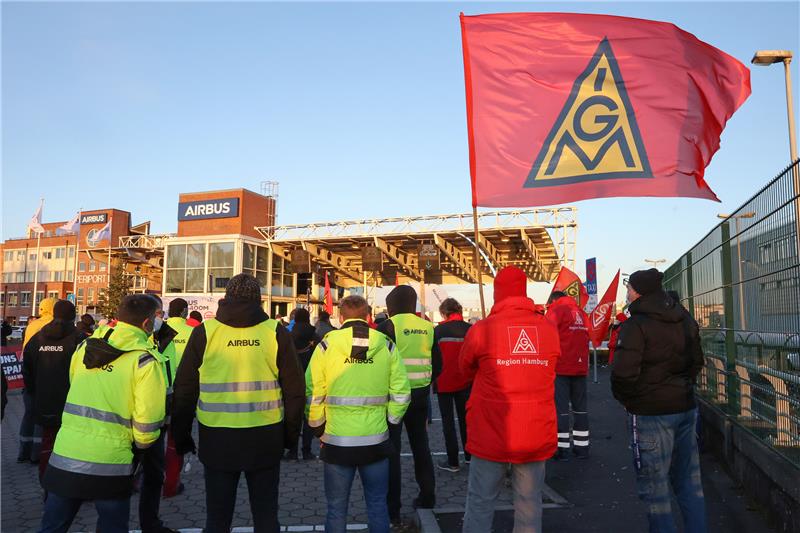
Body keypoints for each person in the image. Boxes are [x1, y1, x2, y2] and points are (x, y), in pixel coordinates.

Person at [172, 274, 305, 533]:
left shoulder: (205, 332)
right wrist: (290, 438)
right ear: (258, 300)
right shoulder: (273, 332)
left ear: (227, 297)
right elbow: (295, 390)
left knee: (218, 520)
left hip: (217, 439)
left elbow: (185, 389)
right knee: (266, 518)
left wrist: (182, 436)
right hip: (265, 437)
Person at [39, 294, 167, 533]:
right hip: (112, 465)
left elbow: (74, 383)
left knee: (52, 527)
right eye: (157, 317)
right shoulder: (145, 361)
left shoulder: (85, 347)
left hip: (66, 455)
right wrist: (139, 448)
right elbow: (147, 428)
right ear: (147, 324)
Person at [460, 266, 561, 533]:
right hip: (534, 431)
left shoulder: (482, 330)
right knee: (529, 503)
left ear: (497, 293)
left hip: (491, 431)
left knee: (481, 501)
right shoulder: (548, 328)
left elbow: (464, 368)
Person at [611, 269, 707, 533]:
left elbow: (622, 373)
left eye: (629, 288)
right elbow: (697, 361)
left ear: (640, 291)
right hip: (685, 407)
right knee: (689, 483)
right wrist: (681, 387)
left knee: (656, 489)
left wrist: (629, 400)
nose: (627, 292)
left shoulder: (635, 325)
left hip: (650, 413)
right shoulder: (683, 318)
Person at [306, 295, 411, 533]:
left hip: (335, 441)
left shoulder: (326, 345)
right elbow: (402, 392)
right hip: (376, 440)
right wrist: (391, 421)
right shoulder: (385, 344)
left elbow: (313, 391)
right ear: (368, 317)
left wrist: (317, 427)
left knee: (336, 508)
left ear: (340, 317)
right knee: (377, 505)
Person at [377, 285, 436, 522]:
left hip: (394, 398)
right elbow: (437, 363)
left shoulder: (387, 327)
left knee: (392, 451)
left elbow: (379, 364)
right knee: (421, 447)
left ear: (391, 306)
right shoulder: (428, 327)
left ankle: (393, 510)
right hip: (421, 396)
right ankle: (428, 496)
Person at [21, 300, 86, 484]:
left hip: (44, 402)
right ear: (74, 316)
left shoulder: (37, 339)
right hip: (72, 405)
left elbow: (27, 370)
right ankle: (68, 487)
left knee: (47, 445)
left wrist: (35, 393)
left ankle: (47, 484)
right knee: (72, 448)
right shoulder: (79, 339)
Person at [138, 295, 180, 533]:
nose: (161, 319)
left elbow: (169, 373)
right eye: (158, 314)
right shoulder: (109, 337)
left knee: (154, 474)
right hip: (137, 417)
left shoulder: (166, 337)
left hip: (155, 413)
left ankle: (150, 523)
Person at [546, 290, 591, 459]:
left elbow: (546, 336)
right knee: (580, 410)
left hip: (561, 368)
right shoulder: (580, 312)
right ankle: (582, 448)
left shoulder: (555, 312)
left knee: (561, 410)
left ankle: (562, 449)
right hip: (580, 368)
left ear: (554, 300)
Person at [431, 298, 472, 473]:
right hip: (467, 382)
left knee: (448, 423)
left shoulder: (438, 331)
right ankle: (470, 457)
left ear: (443, 313)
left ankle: (453, 462)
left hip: (444, 382)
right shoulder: (470, 330)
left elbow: (432, 358)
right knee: (466, 421)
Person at [161, 298, 195, 499]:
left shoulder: (158, 332)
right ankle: (172, 484)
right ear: (184, 312)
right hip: (183, 393)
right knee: (177, 438)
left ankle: (141, 480)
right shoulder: (192, 332)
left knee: (153, 438)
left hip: (158, 390)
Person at [18, 297, 56, 464]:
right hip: (45, 376)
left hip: (28, 374)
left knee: (28, 414)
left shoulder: (32, 325)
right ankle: (37, 454)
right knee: (42, 417)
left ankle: (23, 452)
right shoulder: (53, 325)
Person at [288, 307, 317, 460]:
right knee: (309, 418)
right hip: (312, 381)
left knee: (293, 417)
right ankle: (307, 451)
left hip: (292, 381)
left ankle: (292, 451)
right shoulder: (315, 336)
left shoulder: (288, 336)